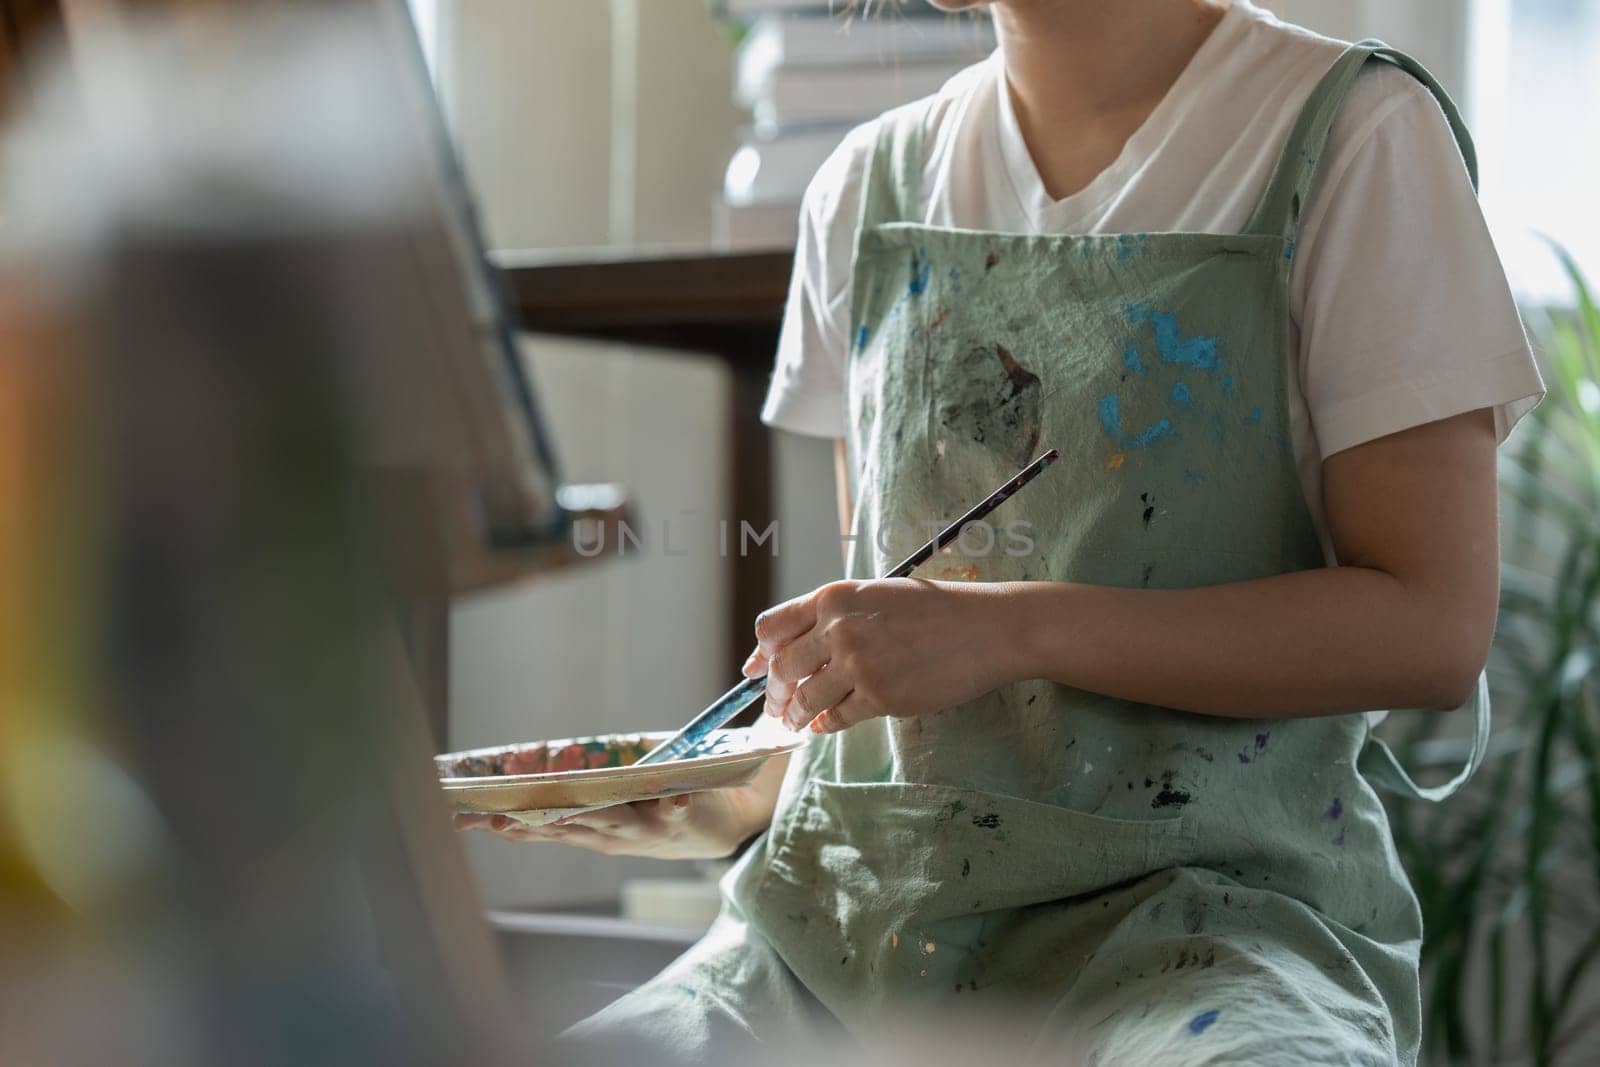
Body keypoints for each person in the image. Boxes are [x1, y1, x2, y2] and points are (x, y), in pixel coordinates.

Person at [458, 1, 1545, 1062]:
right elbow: (896, 687)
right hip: (838, 939)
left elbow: (1430, 627)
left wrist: (1015, 628)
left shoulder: (1349, 133)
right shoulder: (867, 189)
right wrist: (734, 795)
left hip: (1211, 926)